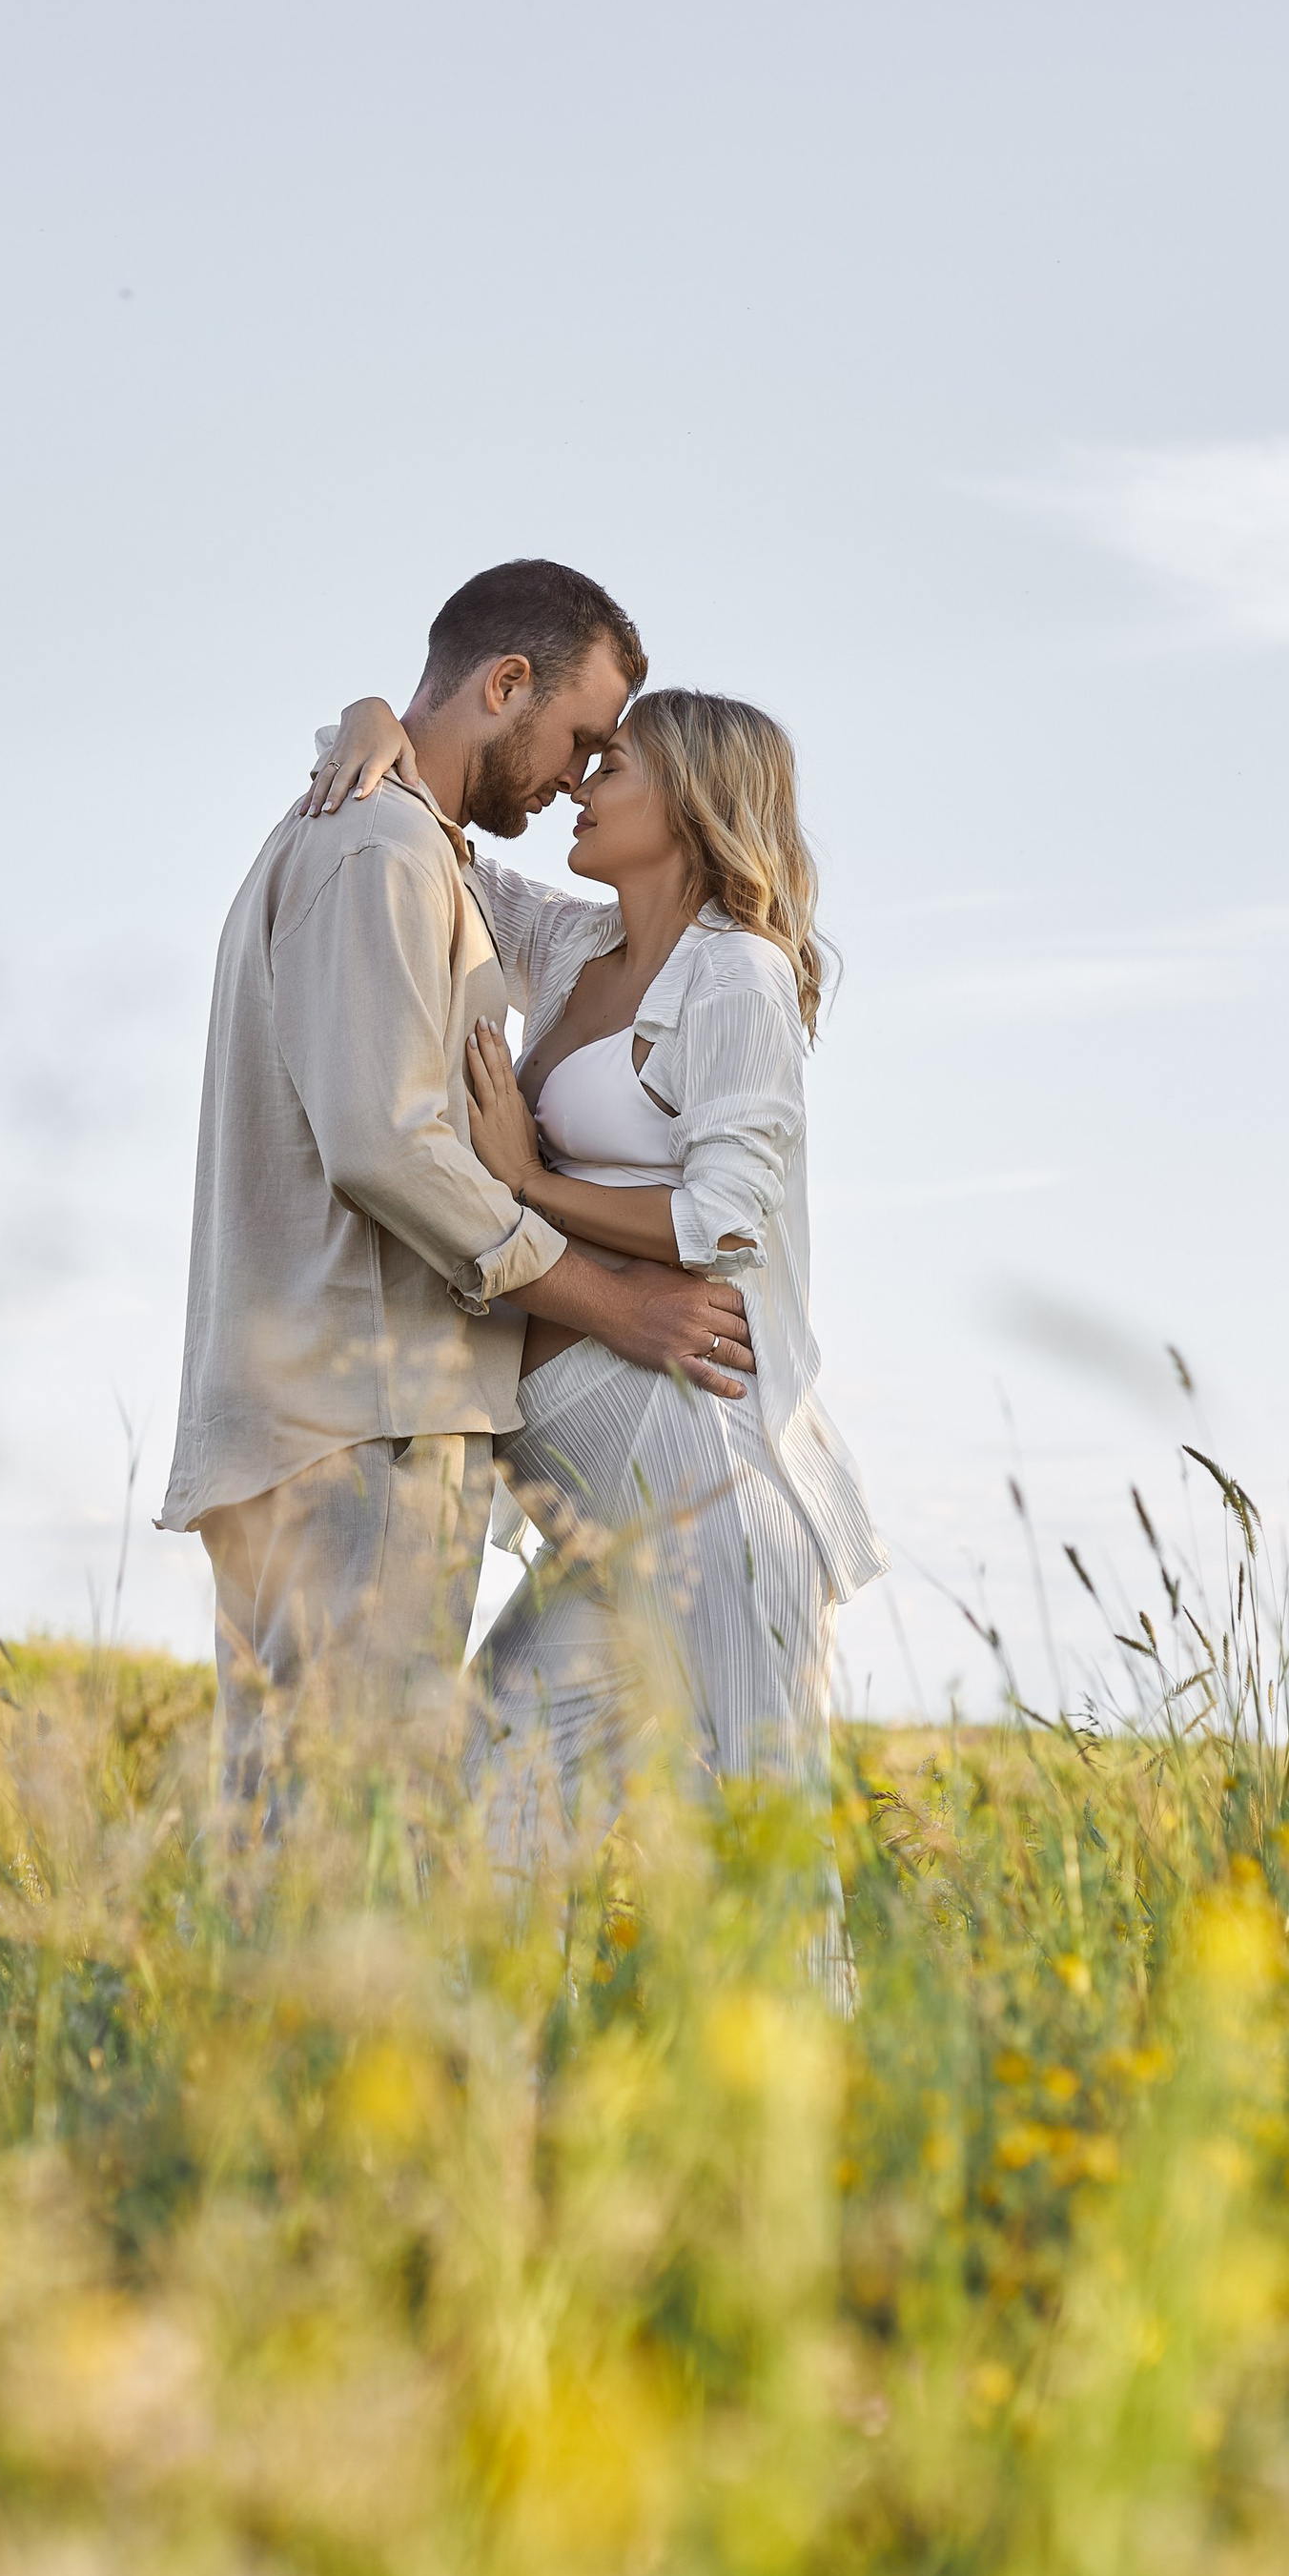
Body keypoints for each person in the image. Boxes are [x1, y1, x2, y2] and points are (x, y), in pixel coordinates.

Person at [158, 562, 760, 1820]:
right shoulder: (380, 852)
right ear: (505, 685)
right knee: (337, 1843)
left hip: (335, 1418)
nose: (575, 779)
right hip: (361, 1424)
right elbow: (388, 1146)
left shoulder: (392, 838)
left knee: (302, 1826)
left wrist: (366, 716)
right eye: (581, 737)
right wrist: (614, 1303)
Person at [306, 681, 885, 1987]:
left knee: (771, 1866)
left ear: (684, 802)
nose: (577, 783)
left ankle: (821, 2162)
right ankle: (514, 2124)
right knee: (490, 1796)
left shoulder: (735, 975)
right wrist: (366, 719)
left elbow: (724, 1215)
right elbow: (440, 836)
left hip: (712, 1484)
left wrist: (526, 1185)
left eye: (609, 765)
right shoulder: (574, 951)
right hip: (592, 1501)